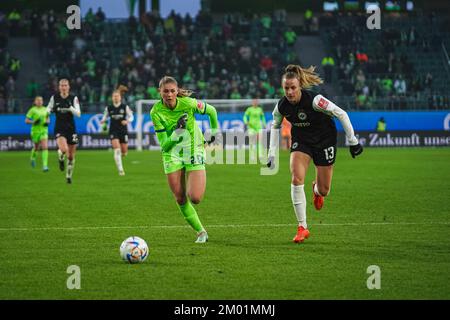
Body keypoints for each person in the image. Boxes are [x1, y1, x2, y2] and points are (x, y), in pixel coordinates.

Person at [267, 64, 363, 243]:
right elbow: (275, 125)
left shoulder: (315, 100)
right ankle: (302, 227)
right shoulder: (281, 106)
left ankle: (316, 191)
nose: (289, 92)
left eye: (293, 88)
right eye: (286, 88)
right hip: (302, 141)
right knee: (296, 178)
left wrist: (353, 141)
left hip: (324, 140)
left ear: (300, 86)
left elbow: (341, 114)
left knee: (325, 189)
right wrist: (272, 154)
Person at [150, 76, 219, 243]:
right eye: (165, 91)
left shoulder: (188, 103)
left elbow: (212, 111)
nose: (169, 94)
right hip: (171, 154)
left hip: (193, 149)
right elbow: (165, 145)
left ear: (177, 91)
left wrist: (214, 132)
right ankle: (201, 232)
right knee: (180, 197)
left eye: (172, 91)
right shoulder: (156, 112)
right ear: (160, 92)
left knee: (195, 197)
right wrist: (177, 131)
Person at [46, 79, 81, 184]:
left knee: (71, 156)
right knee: (64, 149)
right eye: (61, 85)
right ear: (59, 87)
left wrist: (70, 108)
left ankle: (68, 176)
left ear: (69, 87)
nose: (63, 87)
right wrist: (48, 114)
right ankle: (61, 157)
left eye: (65, 85)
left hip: (71, 129)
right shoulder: (54, 97)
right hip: (59, 128)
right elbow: (48, 109)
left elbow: (78, 114)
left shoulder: (73, 98)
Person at [100, 85, 134, 176]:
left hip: (123, 130)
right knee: (117, 150)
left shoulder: (124, 107)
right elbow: (104, 117)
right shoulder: (109, 108)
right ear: (112, 98)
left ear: (120, 97)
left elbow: (131, 117)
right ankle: (120, 170)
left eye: (117, 96)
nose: (115, 98)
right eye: (114, 96)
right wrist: (103, 121)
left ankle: (121, 157)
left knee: (124, 152)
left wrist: (127, 121)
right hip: (113, 130)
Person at [25, 96, 50, 172]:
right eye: (38, 100)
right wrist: (34, 122)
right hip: (35, 131)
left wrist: (47, 122)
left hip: (44, 130)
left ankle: (45, 166)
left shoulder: (45, 109)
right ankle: (33, 158)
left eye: (41, 100)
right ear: (35, 102)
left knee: (45, 147)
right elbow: (26, 121)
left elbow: (48, 118)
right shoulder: (32, 110)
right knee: (36, 147)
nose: (39, 101)